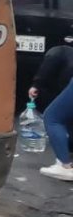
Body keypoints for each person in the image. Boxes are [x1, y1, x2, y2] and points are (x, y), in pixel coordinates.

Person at [28, 44, 73, 180]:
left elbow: (45, 71)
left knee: (52, 117)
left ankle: (65, 166)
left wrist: (36, 84)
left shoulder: (56, 53)